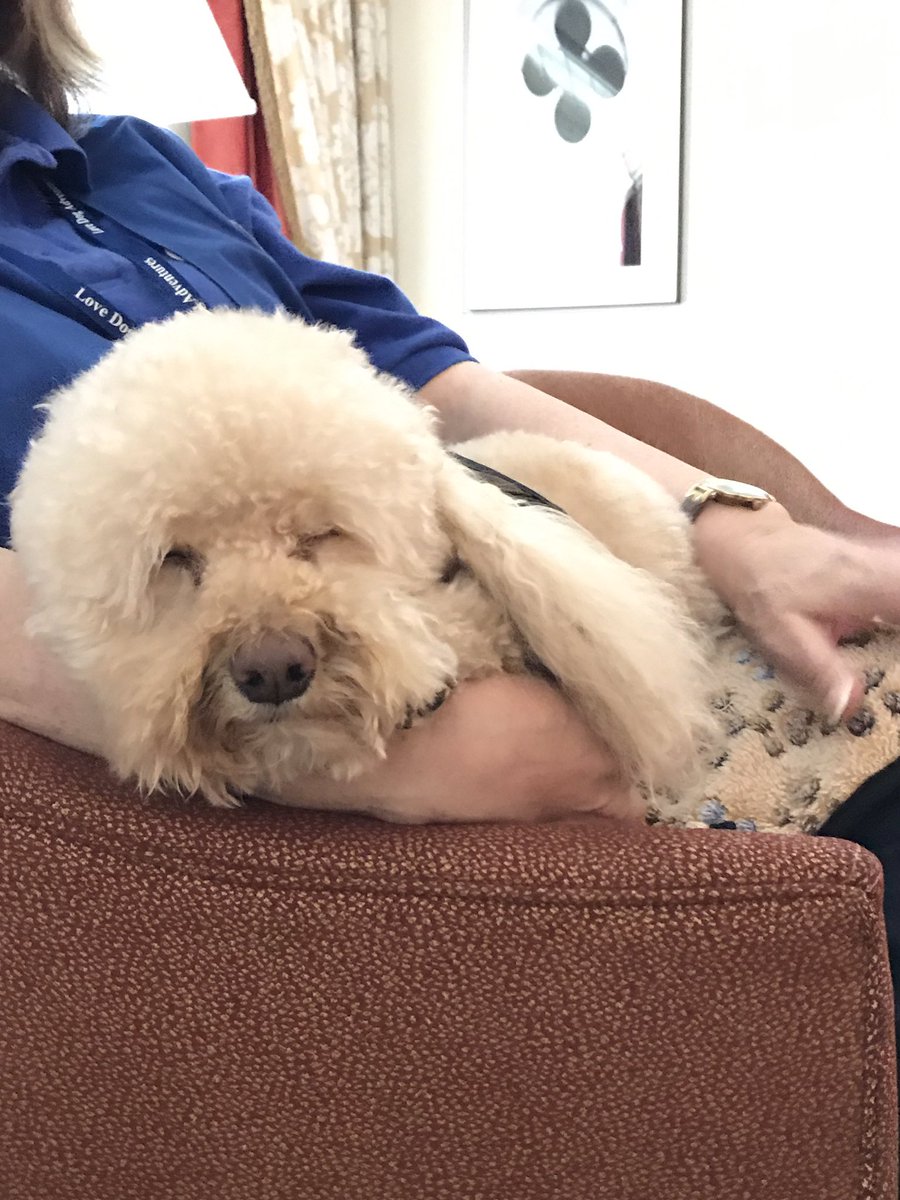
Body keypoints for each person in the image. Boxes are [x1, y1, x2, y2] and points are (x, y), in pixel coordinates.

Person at [3, 0, 900, 835]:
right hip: (326, 825)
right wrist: (395, 765)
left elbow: (436, 381)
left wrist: (727, 522)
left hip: (534, 610)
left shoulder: (138, 167)